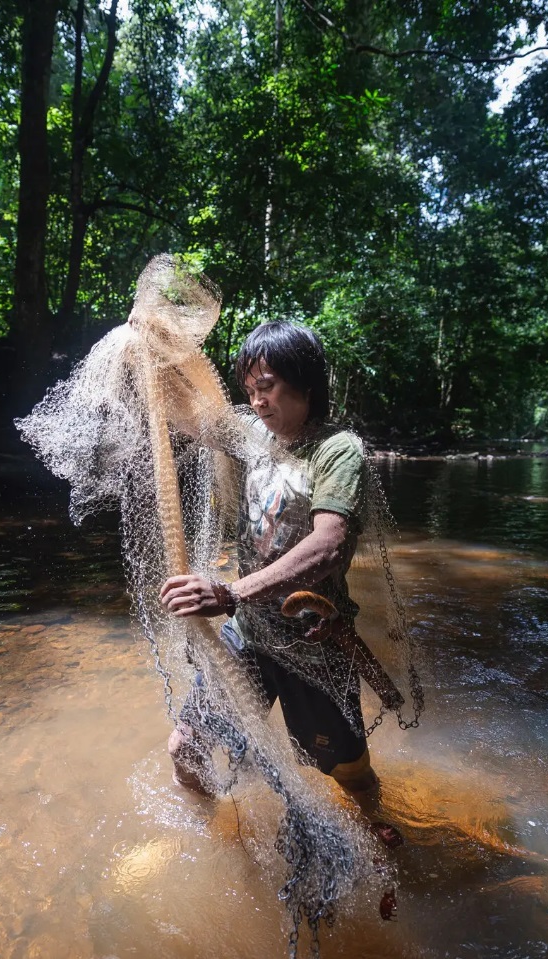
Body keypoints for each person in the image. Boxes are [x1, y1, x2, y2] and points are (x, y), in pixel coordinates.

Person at [157, 320, 382, 807]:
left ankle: (385, 849)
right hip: (248, 633)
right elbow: (188, 418)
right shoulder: (252, 433)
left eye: (267, 386)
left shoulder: (336, 451)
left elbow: (329, 546)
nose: (258, 401)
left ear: (304, 382)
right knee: (185, 749)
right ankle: (214, 843)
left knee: (350, 778)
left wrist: (230, 592)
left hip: (313, 643)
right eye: (250, 389)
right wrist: (153, 346)